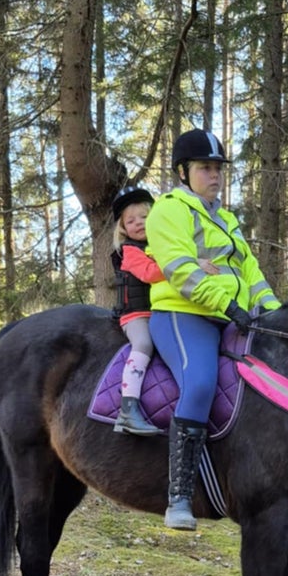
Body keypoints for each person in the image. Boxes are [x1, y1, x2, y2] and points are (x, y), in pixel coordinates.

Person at [147, 127, 281, 529]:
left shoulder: (226, 218)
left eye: (218, 168)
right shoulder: (168, 210)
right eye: (206, 168)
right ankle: (179, 497)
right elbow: (181, 271)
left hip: (231, 314)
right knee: (202, 382)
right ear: (183, 172)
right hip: (182, 313)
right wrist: (228, 305)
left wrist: (273, 314)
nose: (215, 175)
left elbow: (250, 271)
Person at [111, 185, 164, 436]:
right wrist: (182, 267)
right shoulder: (130, 251)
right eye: (131, 220)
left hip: (159, 312)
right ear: (123, 228)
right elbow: (150, 273)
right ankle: (127, 409)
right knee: (143, 344)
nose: (139, 223)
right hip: (135, 314)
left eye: (144, 217)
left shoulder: (161, 247)